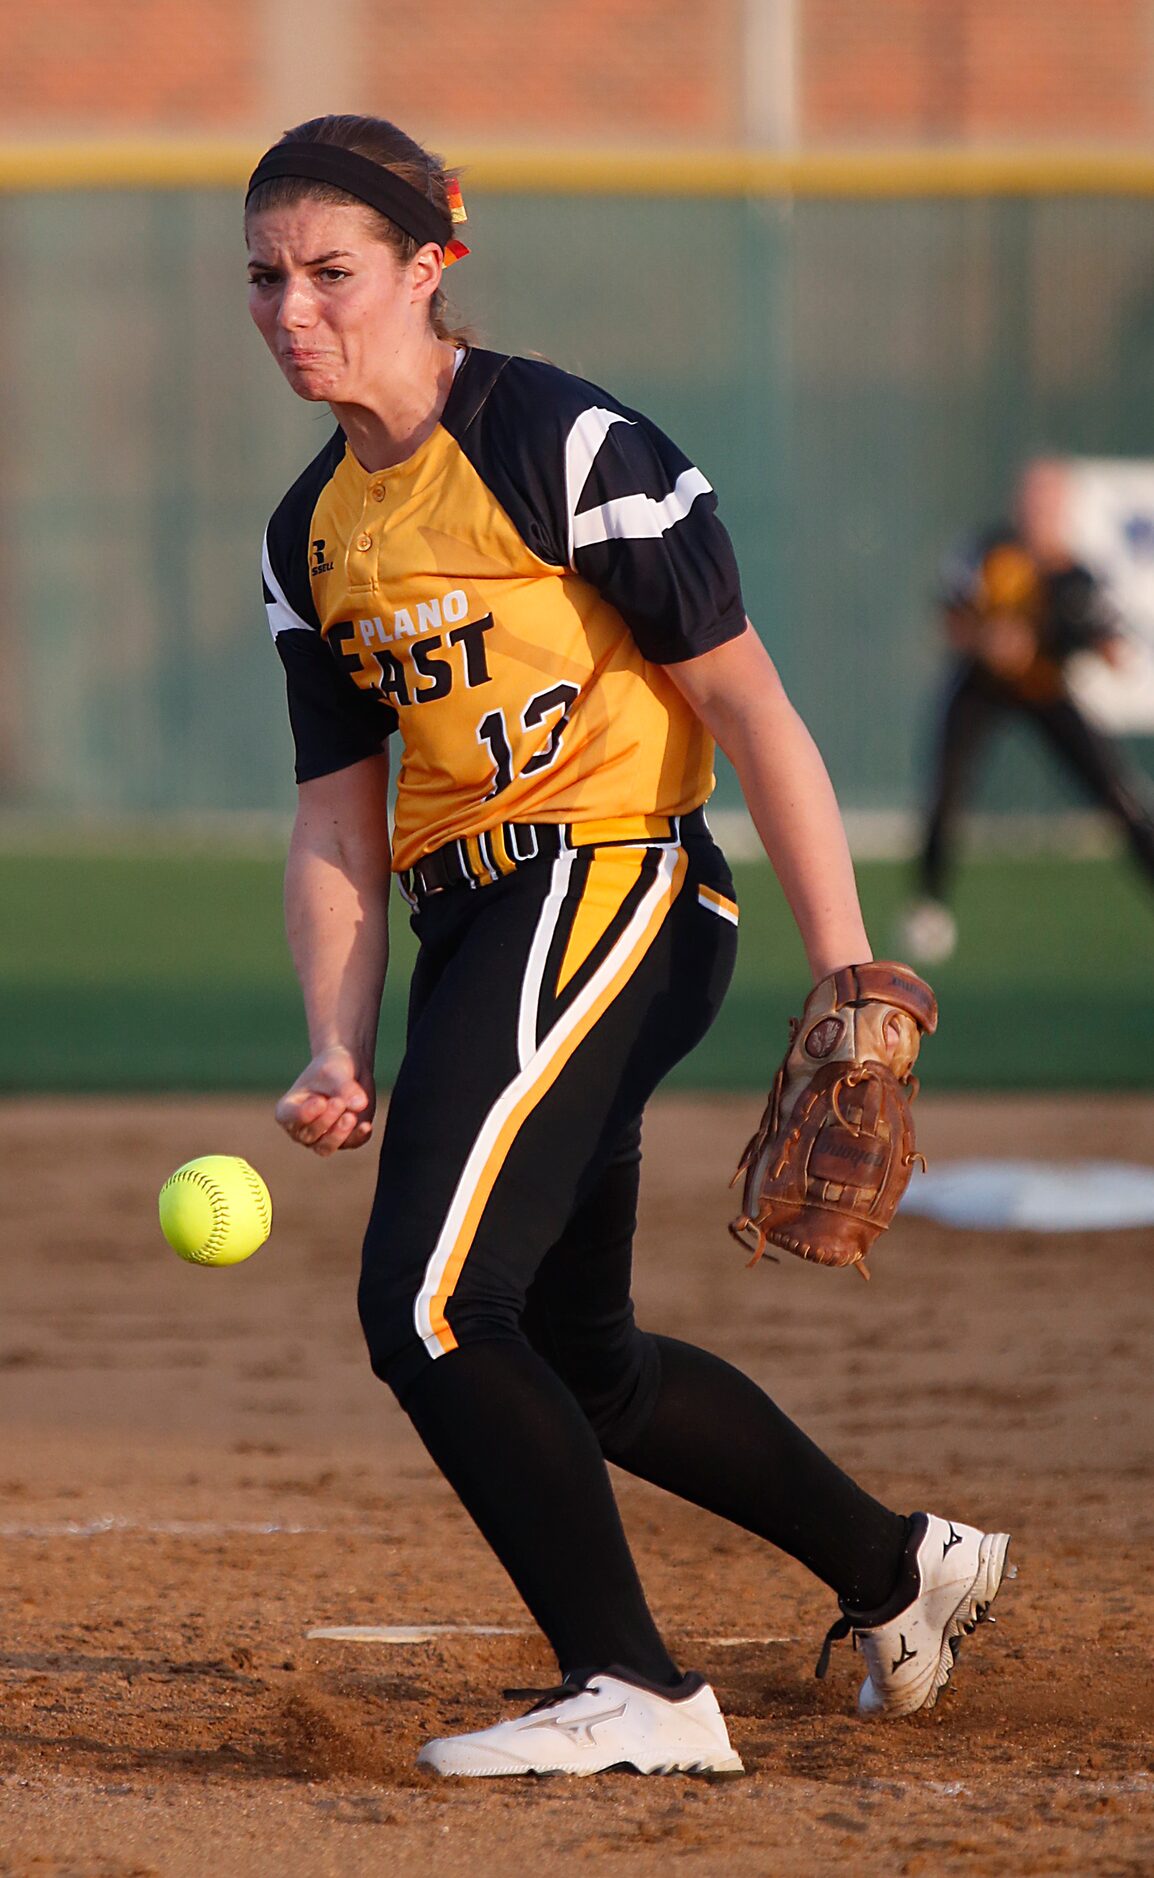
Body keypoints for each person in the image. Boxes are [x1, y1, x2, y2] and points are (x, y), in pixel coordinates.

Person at [246, 114, 1011, 1779]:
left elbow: (745, 705)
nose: (292, 309)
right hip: (475, 920)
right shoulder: (310, 537)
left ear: (429, 264)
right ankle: (897, 1568)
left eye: (332, 272)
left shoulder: (557, 440)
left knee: (432, 1304)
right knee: (573, 1356)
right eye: (266, 278)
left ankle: (634, 1685)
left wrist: (851, 980)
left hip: (611, 880)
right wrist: (332, 1039)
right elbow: (333, 824)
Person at [899, 458, 1154, 963]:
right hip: (981, 687)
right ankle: (929, 904)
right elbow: (950, 618)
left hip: (1044, 690)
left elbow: (1105, 639)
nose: (1037, 509)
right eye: (1030, 498)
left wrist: (1103, 647)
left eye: (1048, 500)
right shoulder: (989, 553)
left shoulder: (1075, 574)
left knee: (1117, 793)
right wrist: (985, 641)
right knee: (945, 790)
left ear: (1062, 507)